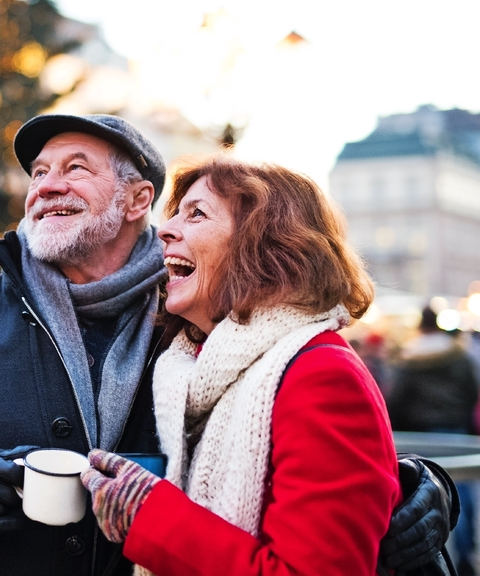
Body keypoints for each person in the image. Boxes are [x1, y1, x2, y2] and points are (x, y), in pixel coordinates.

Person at [0, 115, 454, 576]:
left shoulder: (195, 320)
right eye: (38, 173)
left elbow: (302, 435)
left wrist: (422, 487)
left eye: (75, 168)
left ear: (138, 201)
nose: (47, 186)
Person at [81, 156, 443, 576]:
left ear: (264, 244)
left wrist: (151, 516)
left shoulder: (323, 376)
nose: (165, 230)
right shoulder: (184, 371)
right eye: (175, 214)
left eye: (196, 214)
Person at [387, 306, 480, 575]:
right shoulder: (458, 355)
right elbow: (474, 391)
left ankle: (437, 557)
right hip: (455, 430)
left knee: (428, 496)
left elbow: (397, 399)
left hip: (420, 436)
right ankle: (467, 553)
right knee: (463, 493)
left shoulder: (409, 357)